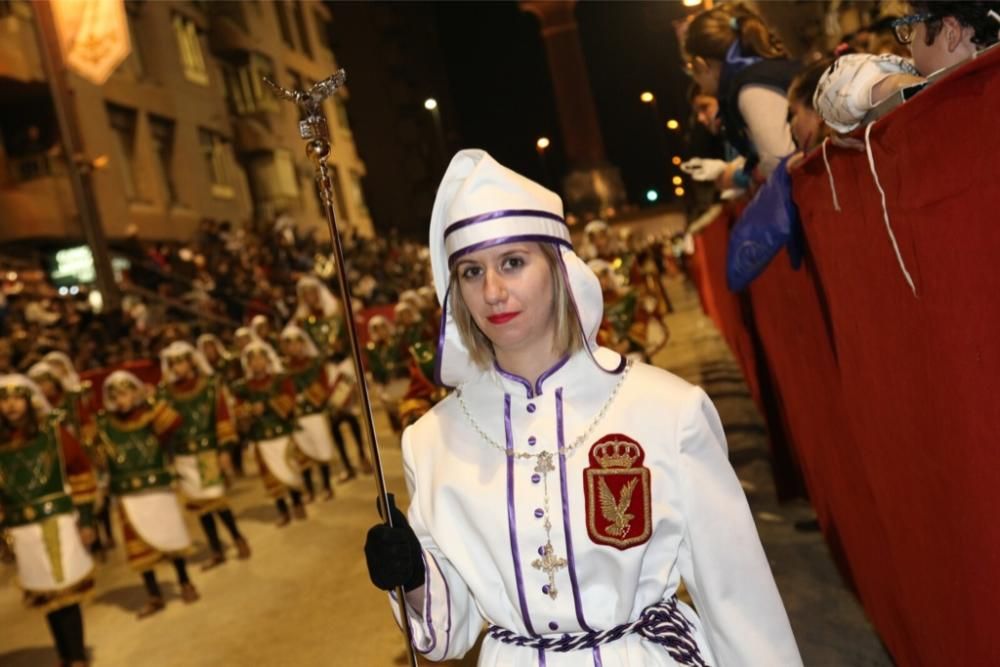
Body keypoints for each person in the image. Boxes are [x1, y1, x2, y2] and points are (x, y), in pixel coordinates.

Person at [363, 150, 801, 665]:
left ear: (558, 267)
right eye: (470, 272)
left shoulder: (668, 409)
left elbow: (737, 596)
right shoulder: (431, 440)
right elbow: (449, 630)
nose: (494, 291)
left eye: (512, 262)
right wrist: (413, 577)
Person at [0, 375, 97, 667]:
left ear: (29, 401)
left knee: (65, 591)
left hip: (57, 523)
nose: (10, 405)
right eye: (3, 400)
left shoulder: (52, 433)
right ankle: (64, 655)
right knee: (45, 593)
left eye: (16, 398)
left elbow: (80, 469)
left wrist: (88, 519)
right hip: (22, 530)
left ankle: (77, 656)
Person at [94, 371, 199, 618]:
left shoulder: (150, 416)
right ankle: (154, 594)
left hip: (157, 490)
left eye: (126, 392)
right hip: (128, 495)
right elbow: (100, 459)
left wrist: (151, 400)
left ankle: (184, 582)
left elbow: (174, 422)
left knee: (171, 537)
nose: (121, 400)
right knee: (139, 545)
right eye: (116, 395)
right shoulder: (106, 425)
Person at [682, 5, 799, 189]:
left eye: (691, 69)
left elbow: (779, 163)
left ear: (701, 64)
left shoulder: (751, 89)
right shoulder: (762, 74)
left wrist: (742, 177)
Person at [159, 342, 251, 568]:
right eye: (173, 364)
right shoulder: (167, 394)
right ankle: (216, 549)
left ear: (191, 361)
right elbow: (165, 428)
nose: (177, 367)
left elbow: (221, 418)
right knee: (200, 506)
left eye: (180, 362)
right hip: (184, 457)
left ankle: (237, 537)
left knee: (216, 499)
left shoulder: (210, 386)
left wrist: (225, 450)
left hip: (207, 453)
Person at [231, 341, 307, 526]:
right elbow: (238, 410)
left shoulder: (281, 379)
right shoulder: (242, 387)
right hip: (261, 436)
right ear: (248, 364)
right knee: (270, 475)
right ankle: (282, 510)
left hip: (282, 433)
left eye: (261, 359)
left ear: (267, 360)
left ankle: (297, 502)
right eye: (253, 360)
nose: (257, 363)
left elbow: (290, 401)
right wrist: (249, 410)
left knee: (290, 469)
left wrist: (266, 405)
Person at [279, 325, 336, 501]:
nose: (294, 347)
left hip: (315, 414)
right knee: (302, 455)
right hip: (297, 417)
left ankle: (327, 486)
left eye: (297, 343)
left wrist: (309, 395)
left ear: (303, 344)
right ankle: (310, 490)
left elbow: (325, 386)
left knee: (321, 451)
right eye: (289, 344)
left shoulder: (316, 363)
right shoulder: (283, 368)